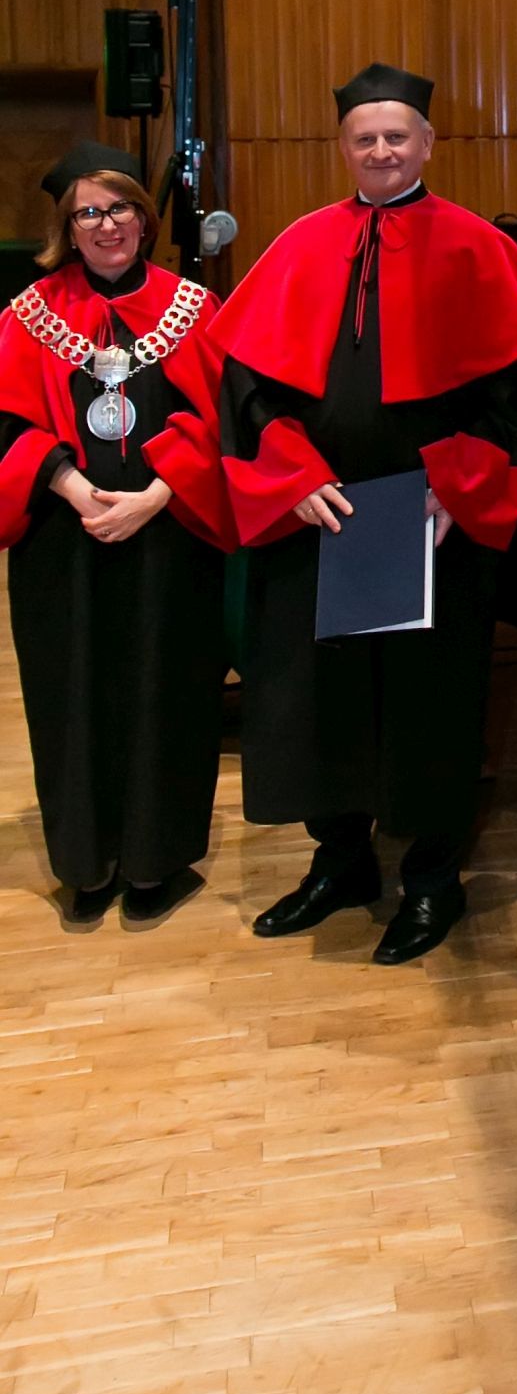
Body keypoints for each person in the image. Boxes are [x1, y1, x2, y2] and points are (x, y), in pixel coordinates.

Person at [213, 63, 517, 965]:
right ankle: (340, 861)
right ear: (343, 146)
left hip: (428, 522)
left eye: (396, 136)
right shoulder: (299, 244)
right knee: (319, 696)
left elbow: (510, 400)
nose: (380, 150)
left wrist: (456, 486)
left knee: (430, 705)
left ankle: (433, 878)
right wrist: (292, 475)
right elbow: (248, 388)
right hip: (320, 517)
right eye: (364, 137)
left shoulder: (477, 247)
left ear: (427, 143)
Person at [0, 143, 232, 921]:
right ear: (67, 227)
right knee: (73, 694)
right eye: (89, 213)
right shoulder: (28, 313)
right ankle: (87, 863)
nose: (107, 225)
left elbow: (222, 420)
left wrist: (155, 496)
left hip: (171, 534)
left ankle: (156, 862)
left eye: (121, 207)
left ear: (144, 216)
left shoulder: (193, 307)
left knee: (168, 688)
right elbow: (5, 424)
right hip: (62, 540)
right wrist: (73, 487)